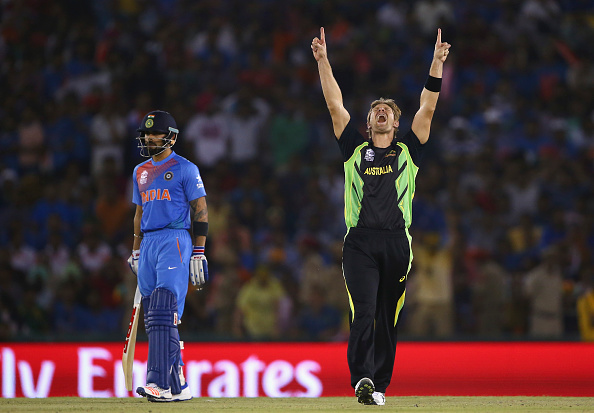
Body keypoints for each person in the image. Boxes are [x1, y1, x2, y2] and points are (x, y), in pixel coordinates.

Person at [311, 27, 450, 406]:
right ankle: (362, 379)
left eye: (388, 110)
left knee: (387, 318)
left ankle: (380, 386)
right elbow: (334, 103)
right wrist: (323, 61)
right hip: (359, 242)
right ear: (368, 123)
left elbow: (429, 106)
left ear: (396, 123)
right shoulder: (353, 150)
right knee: (364, 311)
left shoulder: (410, 152)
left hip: (396, 243)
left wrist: (436, 63)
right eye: (375, 110)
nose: (381, 111)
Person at [127, 110, 209, 402]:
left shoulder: (186, 168)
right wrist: (135, 249)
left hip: (174, 237)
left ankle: (158, 382)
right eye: (146, 134)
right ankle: (178, 383)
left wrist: (198, 251)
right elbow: (139, 213)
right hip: (148, 242)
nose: (149, 138)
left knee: (163, 307)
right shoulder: (140, 171)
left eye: (155, 134)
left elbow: (200, 210)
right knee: (156, 315)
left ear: (170, 137)